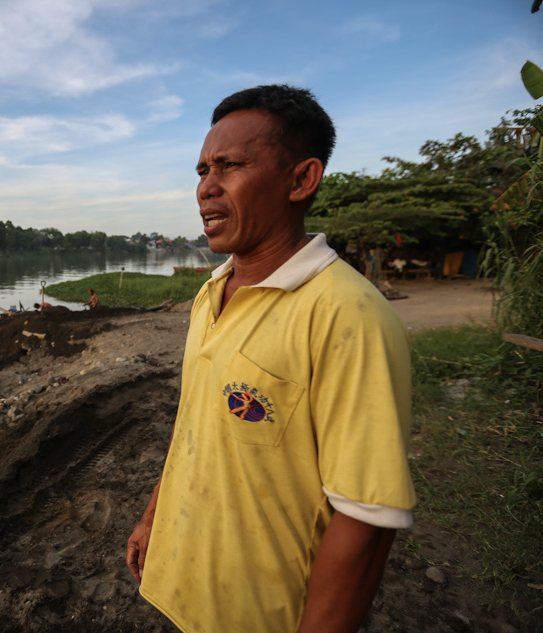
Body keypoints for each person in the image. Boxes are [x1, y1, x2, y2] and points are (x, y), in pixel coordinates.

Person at [126, 85, 416, 633]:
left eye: (230, 166)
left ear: (302, 180)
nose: (206, 189)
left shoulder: (347, 317)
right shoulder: (210, 295)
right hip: (182, 590)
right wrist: (153, 520)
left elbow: (367, 517)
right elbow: (196, 426)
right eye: (202, 169)